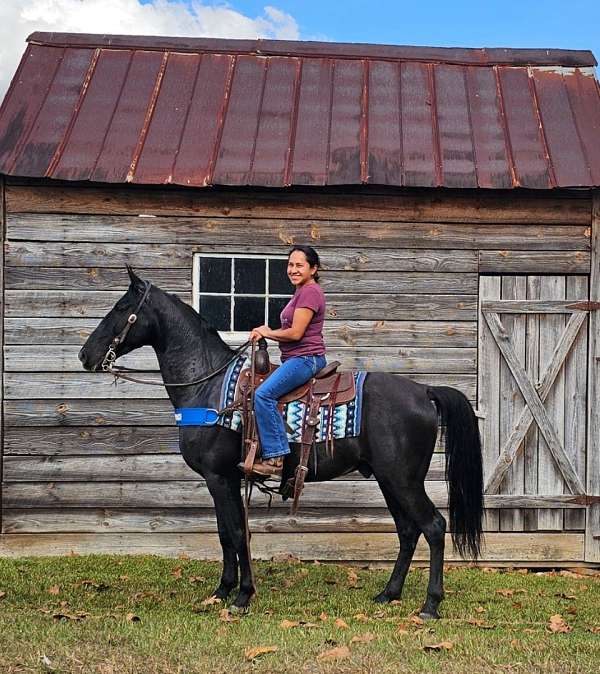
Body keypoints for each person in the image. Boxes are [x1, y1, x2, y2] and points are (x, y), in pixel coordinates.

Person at [244, 245, 327, 477]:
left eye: (299, 265)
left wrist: (267, 332)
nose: (293, 270)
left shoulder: (310, 292)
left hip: (305, 358)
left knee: (263, 395)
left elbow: (295, 333)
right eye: (290, 265)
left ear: (313, 268)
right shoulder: (301, 291)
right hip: (296, 358)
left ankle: (275, 457)